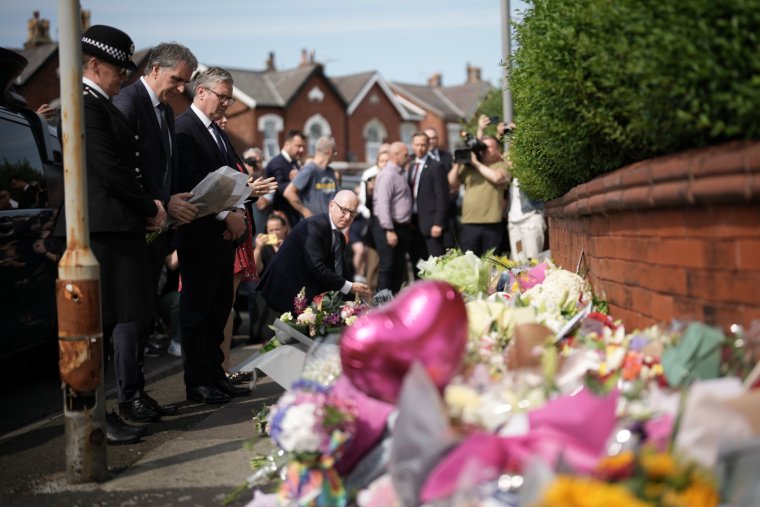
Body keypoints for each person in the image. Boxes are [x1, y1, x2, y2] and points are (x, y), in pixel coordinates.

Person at [55, 25, 167, 444]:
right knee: (94, 329)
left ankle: (99, 416)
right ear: (96, 65)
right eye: (119, 68)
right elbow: (109, 169)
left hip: (115, 228)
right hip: (102, 230)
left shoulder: (99, 103)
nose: (125, 76)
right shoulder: (86, 105)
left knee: (110, 323)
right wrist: (149, 207)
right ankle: (92, 419)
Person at [112, 41, 199, 421]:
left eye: (186, 82)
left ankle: (138, 392)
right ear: (154, 69)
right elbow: (121, 170)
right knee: (129, 316)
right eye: (177, 79)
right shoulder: (128, 103)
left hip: (156, 227)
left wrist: (171, 198)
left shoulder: (163, 109)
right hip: (132, 226)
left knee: (145, 313)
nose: (181, 89)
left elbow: (161, 168)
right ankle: (127, 395)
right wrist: (154, 204)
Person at [174, 67, 264, 404]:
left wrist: (238, 210)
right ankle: (197, 383)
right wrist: (228, 215)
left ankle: (215, 376)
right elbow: (192, 182)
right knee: (197, 313)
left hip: (224, 236)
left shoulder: (219, 133)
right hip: (199, 234)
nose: (226, 103)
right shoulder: (184, 129)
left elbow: (231, 179)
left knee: (218, 310)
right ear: (200, 92)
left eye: (229, 97)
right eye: (222, 96)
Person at [257, 190, 373, 317]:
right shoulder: (314, 226)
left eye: (352, 214)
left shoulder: (339, 237)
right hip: (280, 294)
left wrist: (356, 296)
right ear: (331, 205)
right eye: (344, 210)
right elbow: (316, 267)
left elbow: (340, 271)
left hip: (303, 298)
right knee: (273, 336)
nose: (347, 217)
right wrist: (350, 287)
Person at [447, 135, 510, 257]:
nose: (484, 150)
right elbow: (451, 183)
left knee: (491, 264)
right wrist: (457, 164)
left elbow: (497, 177)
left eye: (488, 147)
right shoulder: (468, 167)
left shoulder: (502, 165)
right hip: (469, 223)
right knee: (469, 264)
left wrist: (476, 163)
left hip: (492, 224)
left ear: (497, 150)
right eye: (483, 147)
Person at [372, 142, 413, 293]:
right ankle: (382, 304)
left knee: (398, 268)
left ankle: (395, 303)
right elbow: (383, 204)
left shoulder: (399, 172)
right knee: (387, 267)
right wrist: (389, 229)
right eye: (405, 154)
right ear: (395, 155)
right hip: (388, 227)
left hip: (401, 227)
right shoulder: (388, 174)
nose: (408, 157)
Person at [408, 131, 449, 273]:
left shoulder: (436, 166)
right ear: (412, 146)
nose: (420, 148)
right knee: (417, 264)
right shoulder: (411, 166)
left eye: (423, 145)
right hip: (414, 223)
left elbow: (442, 197)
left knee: (435, 264)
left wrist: (438, 223)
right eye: (417, 145)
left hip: (431, 224)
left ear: (428, 145)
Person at [283, 136, 338, 219]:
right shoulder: (310, 169)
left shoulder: (330, 172)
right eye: (335, 152)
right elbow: (288, 192)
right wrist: (306, 213)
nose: (335, 154)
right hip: (313, 225)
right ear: (330, 151)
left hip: (329, 223)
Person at [265, 130, 306, 227]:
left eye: (303, 146)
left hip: (295, 217)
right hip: (282, 221)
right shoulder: (276, 163)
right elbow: (279, 188)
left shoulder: (295, 162)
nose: (302, 150)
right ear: (287, 144)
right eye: (298, 146)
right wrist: (297, 180)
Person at [425, 127, 457, 249]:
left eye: (434, 138)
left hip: (448, 210)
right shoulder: (417, 160)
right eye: (428, 138)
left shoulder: (447, 156)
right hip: (428, 212)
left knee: (449, 249)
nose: (431, 141)